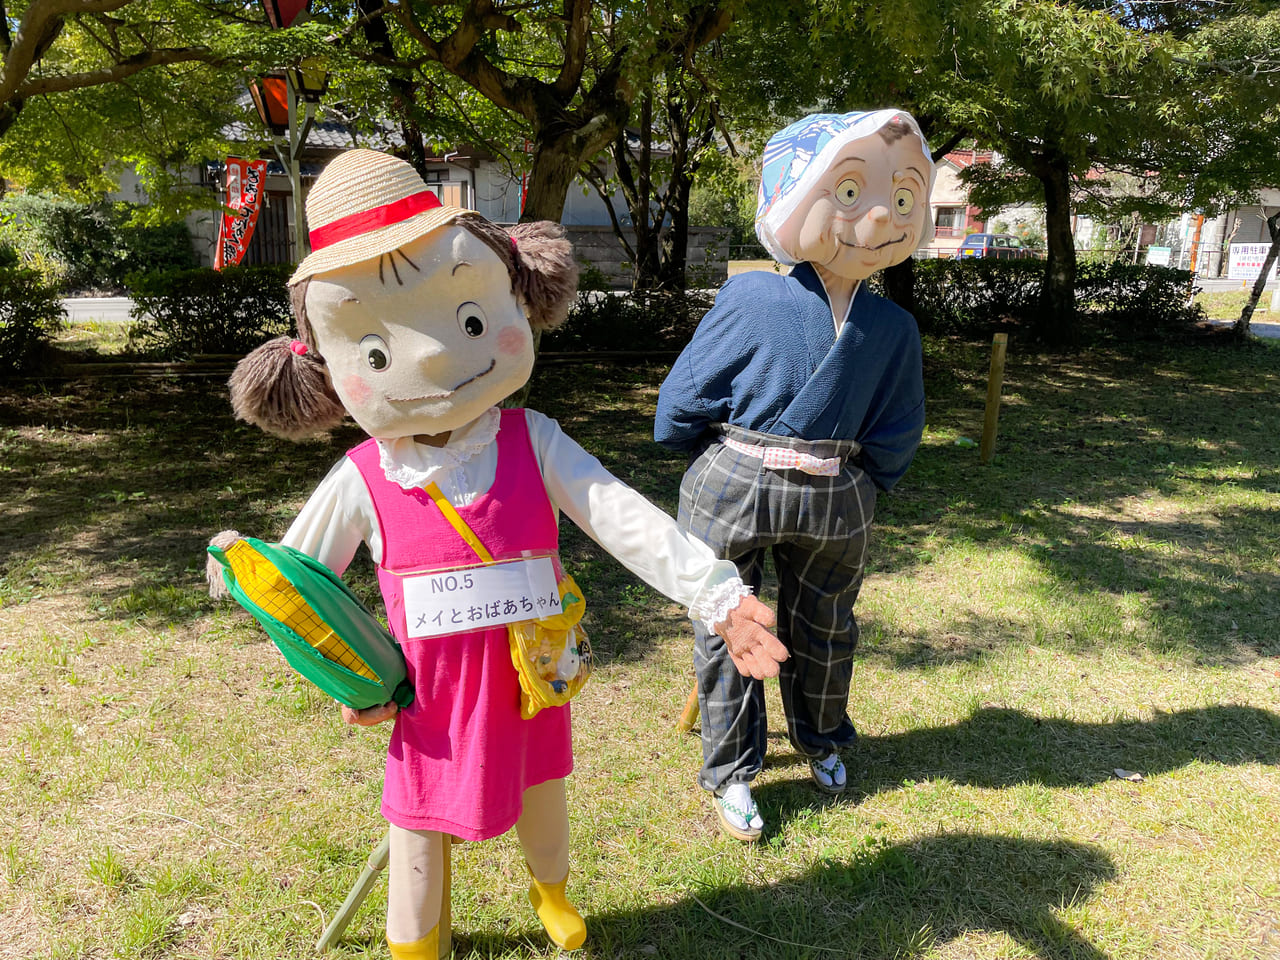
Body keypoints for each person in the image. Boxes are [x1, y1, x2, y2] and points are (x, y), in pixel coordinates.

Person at [218, 149, 787, 958]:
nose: (438, 359)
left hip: (534, 669)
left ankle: (549, 888)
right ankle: (415, 943)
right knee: (417, 825)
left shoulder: (534, 441)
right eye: (375, 356)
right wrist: (333, 665)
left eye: (471, 321)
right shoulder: (365, 476)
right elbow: (299, 581)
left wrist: (717, 595)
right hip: (428, 694)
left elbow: (620, 516)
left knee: (544, 793)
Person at [653, 110, 935, 842]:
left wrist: (866, 485)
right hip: (740, 476)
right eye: (850, 191)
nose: (880, 215)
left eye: (904, 199)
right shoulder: (753, 297)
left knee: (827, 626)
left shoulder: (893, 327)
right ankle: (733, 769)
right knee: (727, 626)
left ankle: (822, 737)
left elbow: (900, 425)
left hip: (833, 495)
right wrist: (707, 452)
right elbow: (685, 399)